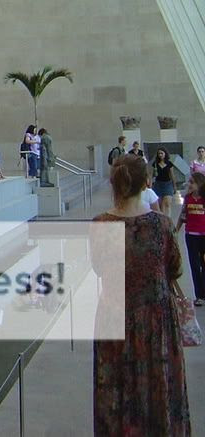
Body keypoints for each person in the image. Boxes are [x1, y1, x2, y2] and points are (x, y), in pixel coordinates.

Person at [90, 154, 189, 435]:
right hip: (156, 320)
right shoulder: (162, 225)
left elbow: (98, 267)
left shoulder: (101, 224)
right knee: (159, 387)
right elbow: (175, 269)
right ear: (146, 182)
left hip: (114, 315)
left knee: (116, 388)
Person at [175, 171, 205, 306]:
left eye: (192, 182)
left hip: (204, 236)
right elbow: (182, 216)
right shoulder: (187, 198)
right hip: (191, 236)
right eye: (189, 182)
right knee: (194, 265)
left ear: (200, 184)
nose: (189, 184)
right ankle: (199, 295)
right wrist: (175, 231)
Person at [151, 148, 177, 217]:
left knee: (167, 203)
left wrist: (174, 186)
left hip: (167, 184)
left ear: (165, 154)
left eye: (162, 153)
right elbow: (151, 175)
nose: (160, 155)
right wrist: (150, 185)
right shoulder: (155, 164)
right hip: (158, 185)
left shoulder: (169, 164)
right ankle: (163, 219)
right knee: (160, 204)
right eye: (159, 153)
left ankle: (168, 218)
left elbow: (172, 175)